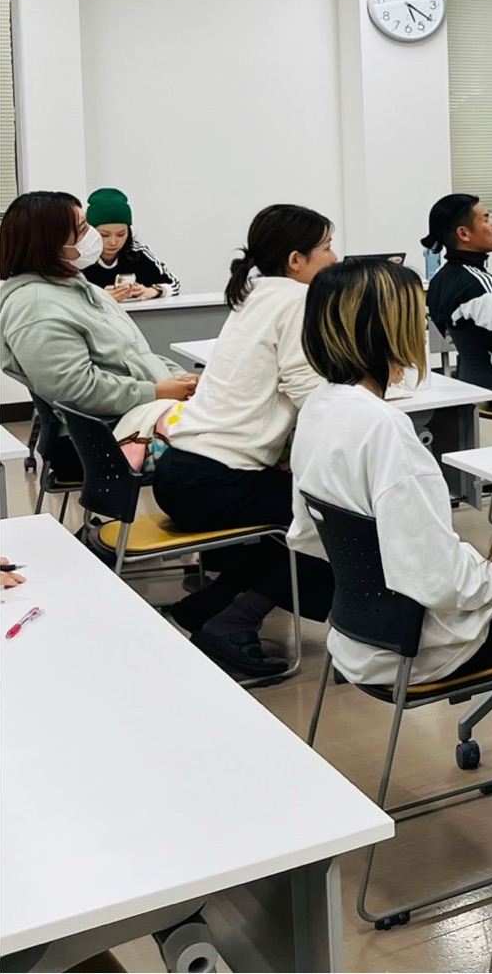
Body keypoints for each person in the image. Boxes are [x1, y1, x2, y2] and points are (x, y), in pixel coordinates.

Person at [288, 257, 492, 684]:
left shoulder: (318, 407)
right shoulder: (385, 428)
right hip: (421, 647)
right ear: (389, 329)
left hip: (355, 635)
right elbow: (440, 580)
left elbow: (307, 534)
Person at [153, 205, 339, 678]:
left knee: (296, 515)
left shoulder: (255, 294)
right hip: (216, 482)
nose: (334, 258)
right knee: (335, 518)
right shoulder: (297, 300)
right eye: (326, 248)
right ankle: (235, 621)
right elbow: (307, 391)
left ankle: (207, 607)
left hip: (181, 471)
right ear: (296, 260)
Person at [0, 192, 198, 453]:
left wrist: (180, 379)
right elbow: (77, 391)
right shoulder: (35, 308)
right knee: (235, 452)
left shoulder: (79, 288)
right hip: (112, 435)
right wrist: (157, 391)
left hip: (145, 411)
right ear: (50, 243)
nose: (93, 237)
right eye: (83, 229)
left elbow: (136, 355)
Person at [421, 193, 492, 402]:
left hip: (472, 387)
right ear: (464, 233)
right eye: (486, 219)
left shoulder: (440, 281)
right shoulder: (485, 289)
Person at [79, 188, 179, 301]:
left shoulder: (138, 252)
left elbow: (174, 284)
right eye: (104, 235)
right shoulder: (79, 257)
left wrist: (154, 291)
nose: (113, 242)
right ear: (90, 232)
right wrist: (98, 296)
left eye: (121, 234)